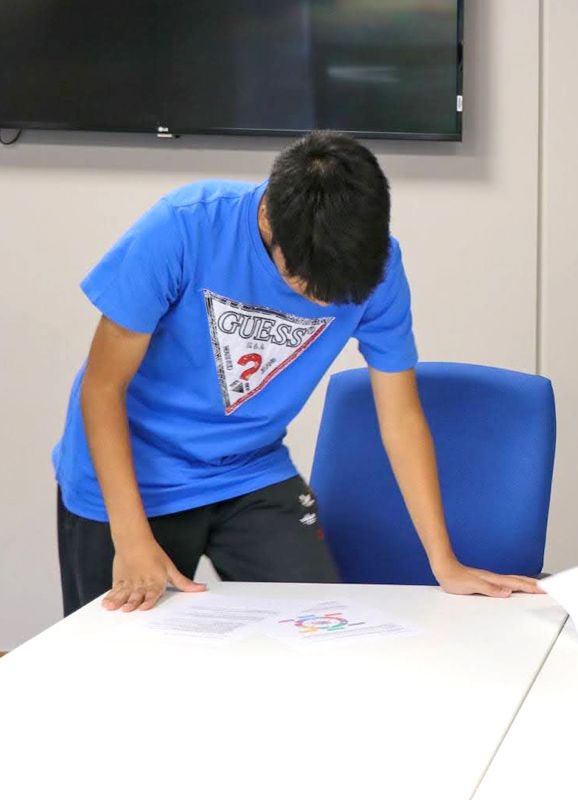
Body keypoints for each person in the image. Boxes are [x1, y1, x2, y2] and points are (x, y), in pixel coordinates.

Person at [54, 131, 540, 617]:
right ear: (268, 219)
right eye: (305, 284)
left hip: (248, 471)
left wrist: (444, 561)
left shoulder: (380, 267)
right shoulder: (184, 227)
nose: (319, 303)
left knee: (322, 626)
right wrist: (131, 536)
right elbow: (102, 387)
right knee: (115, 662)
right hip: (131, 474)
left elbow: (400, 417)